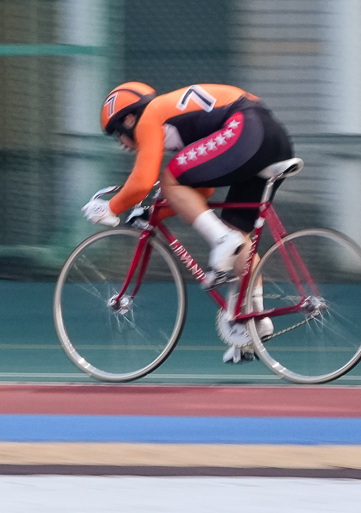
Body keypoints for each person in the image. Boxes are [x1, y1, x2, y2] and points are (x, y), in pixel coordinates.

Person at [87, 81, 295, 360]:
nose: (122, 145)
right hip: (271, 134)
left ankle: (222, 241)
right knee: (237, 233)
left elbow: (142, 182)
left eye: (117, 135)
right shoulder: (178, 122)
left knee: (170, 179)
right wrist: (154, 214)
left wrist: (109, 207)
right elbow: (202, 189)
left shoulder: (151, 116)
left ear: (129, 119)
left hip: (245, 126)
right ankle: (254, 322)